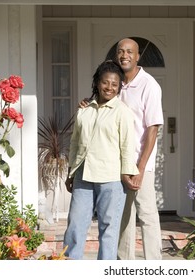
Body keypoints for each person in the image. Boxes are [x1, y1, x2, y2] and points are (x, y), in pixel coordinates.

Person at [80, 38, 164, 260]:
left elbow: (153, 129)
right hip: (115, 162)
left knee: (147, 215)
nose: (124, 55)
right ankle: (124, 265)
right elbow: (99, 105)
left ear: (138, 57)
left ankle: (155, 266)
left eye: (129, 52)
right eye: (120, 51)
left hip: (139, 162)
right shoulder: (115, 82)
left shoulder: (149, 85)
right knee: (123, 216)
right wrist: (86, 104)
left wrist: (140, 167)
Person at [64, 60, 139, 260]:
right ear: (98, 82)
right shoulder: (84, 109)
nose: (110, 88)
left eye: (115, 84)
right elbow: (75, 143)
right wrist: (71, 171)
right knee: (75, 225)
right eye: (106, 82)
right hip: (83, 175)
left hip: (111, 179)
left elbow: (127, 145)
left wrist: (126, 173)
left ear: (119, 87)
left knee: (109, 229)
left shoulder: (122, 112)